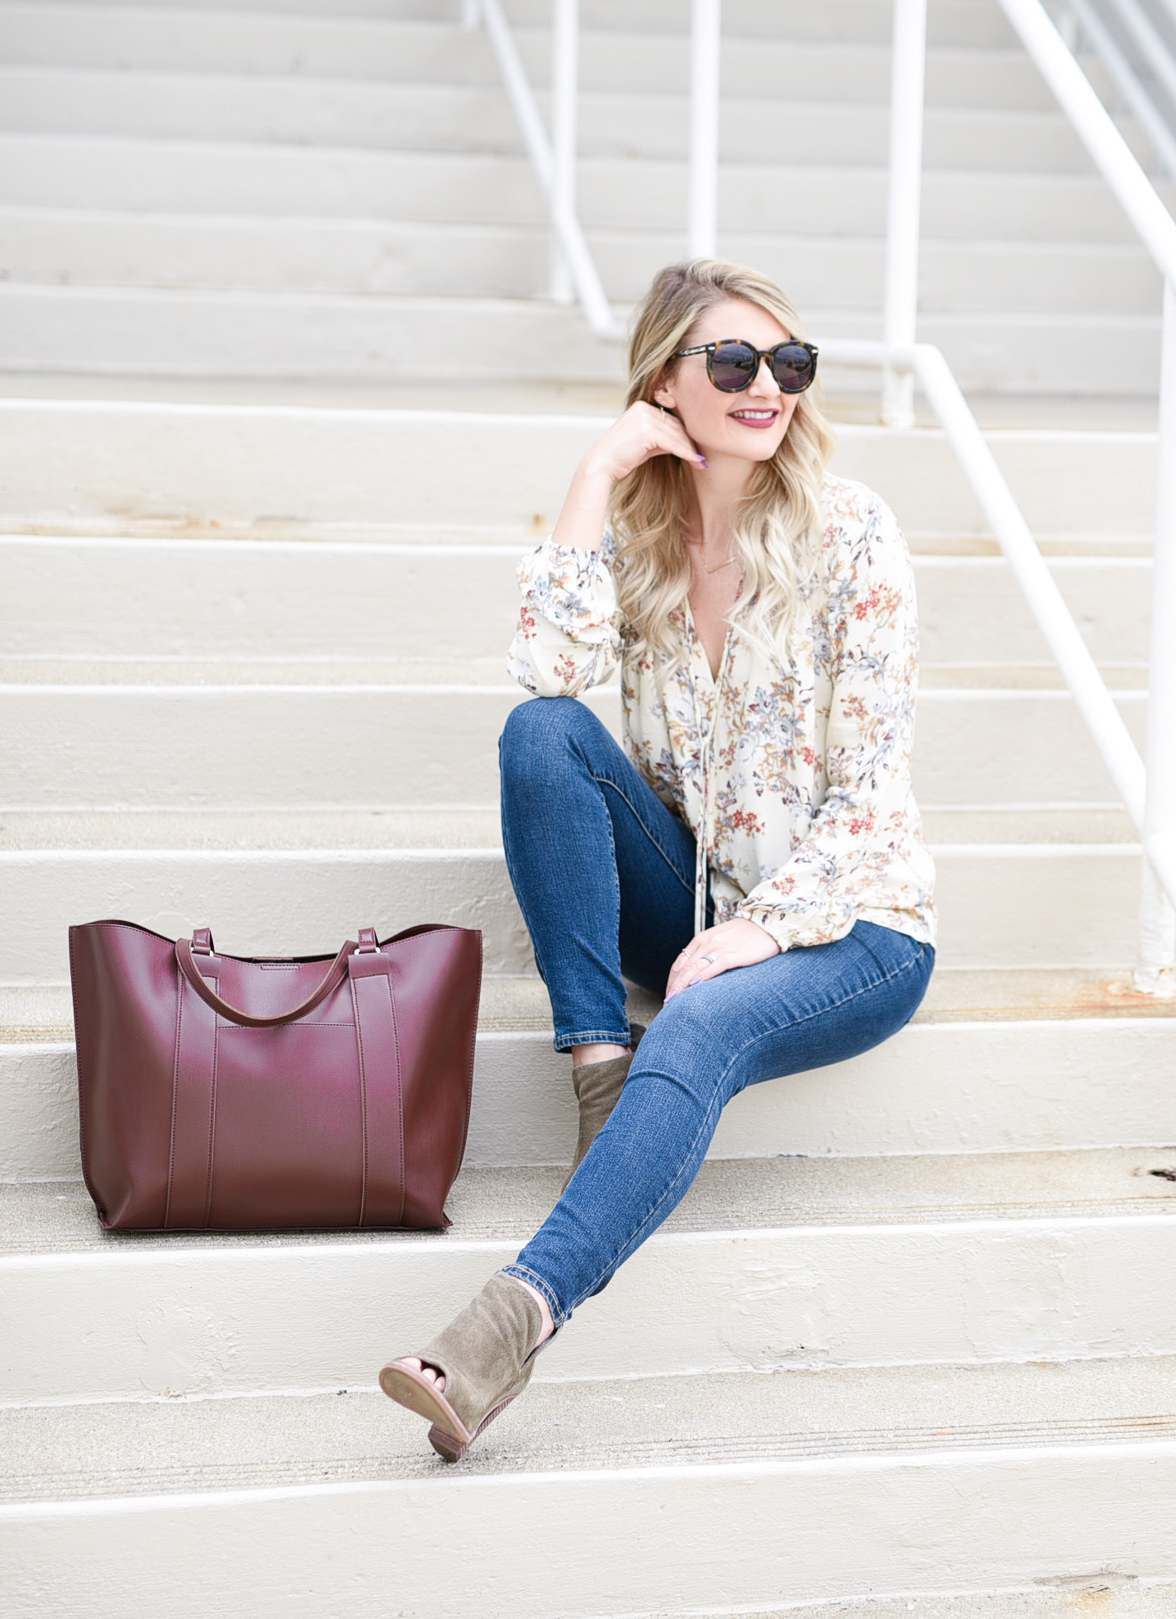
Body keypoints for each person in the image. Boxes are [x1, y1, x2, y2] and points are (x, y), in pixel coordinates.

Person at [378, 259, 937, 1460]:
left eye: (787, 364)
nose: (766, 389)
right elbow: (547, 684)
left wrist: (756, 932)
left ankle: (501, 1332)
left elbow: (870, 794)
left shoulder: (851, 536)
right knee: (542, 739)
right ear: (662, 384)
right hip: (693, 901)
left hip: (853, 926)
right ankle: (599, 1080)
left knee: (694, 1026)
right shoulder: (637, 549)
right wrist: (594, 475)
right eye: (731, 364)